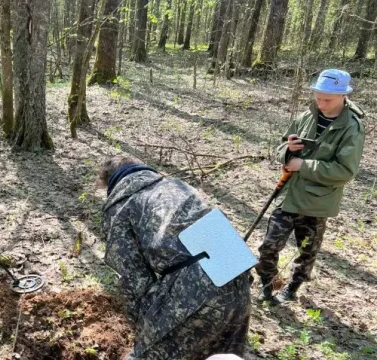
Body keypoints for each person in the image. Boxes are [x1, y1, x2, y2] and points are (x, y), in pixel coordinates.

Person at [98, 156, 251, 360]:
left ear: (110, 181)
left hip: (197, 286)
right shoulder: (174, 185)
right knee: (221, 354)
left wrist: (148, 326)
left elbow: (133, 279)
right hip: (236, 266)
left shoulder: (120, 206)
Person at [256, 69, 366, 304]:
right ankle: (266, 286)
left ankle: (292, 290)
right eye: (318, 97)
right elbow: (281, 148)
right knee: (268, 246)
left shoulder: (351, 127)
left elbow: (345, 171)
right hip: (288, 195)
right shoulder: (307, 117)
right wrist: (288, 151)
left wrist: (303, 165)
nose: (321, 103)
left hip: (318, 202)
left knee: (307, 253)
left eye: (328, 99)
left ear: (343, 96)